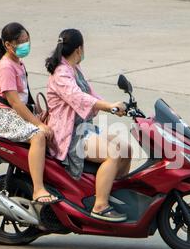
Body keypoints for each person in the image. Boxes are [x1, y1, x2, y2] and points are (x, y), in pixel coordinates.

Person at [45, 29, 132, 222]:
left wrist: (115, 107)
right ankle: (100, 206)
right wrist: (109, 106)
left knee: (126, 149)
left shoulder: (74, 68)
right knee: (113, 154)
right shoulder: (61, 74)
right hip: (69, 135)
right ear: (79, 49)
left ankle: (113, 194)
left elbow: (91, 95)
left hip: (83, 128)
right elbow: (79, 98)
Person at [0, 22, 56, 207]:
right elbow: (14, 102)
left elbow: (23, 98)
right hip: (2, 116)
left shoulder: (18, 63)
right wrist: (38, 124)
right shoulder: (6, 67)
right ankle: (38, 189)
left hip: (16, 113)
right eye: (21, 42)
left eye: (27, 40)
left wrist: (40, 115)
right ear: (7, 45)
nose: (25, 45)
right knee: (38, 136)